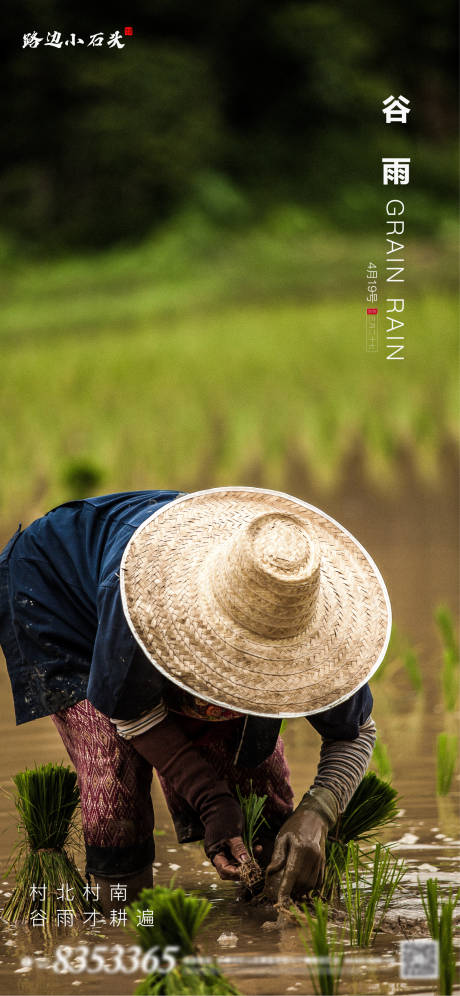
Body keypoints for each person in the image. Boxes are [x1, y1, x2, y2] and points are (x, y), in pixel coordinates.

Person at [0, 487, 391, 913]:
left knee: (255, 776)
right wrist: (210, 799)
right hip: (62, 595)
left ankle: (263, 903)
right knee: (114, 778)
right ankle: (130, 925)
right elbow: (128, 710)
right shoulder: (143, 599)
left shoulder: (315, 626)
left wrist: (318, 813)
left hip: (177, 590)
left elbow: (357, 732)